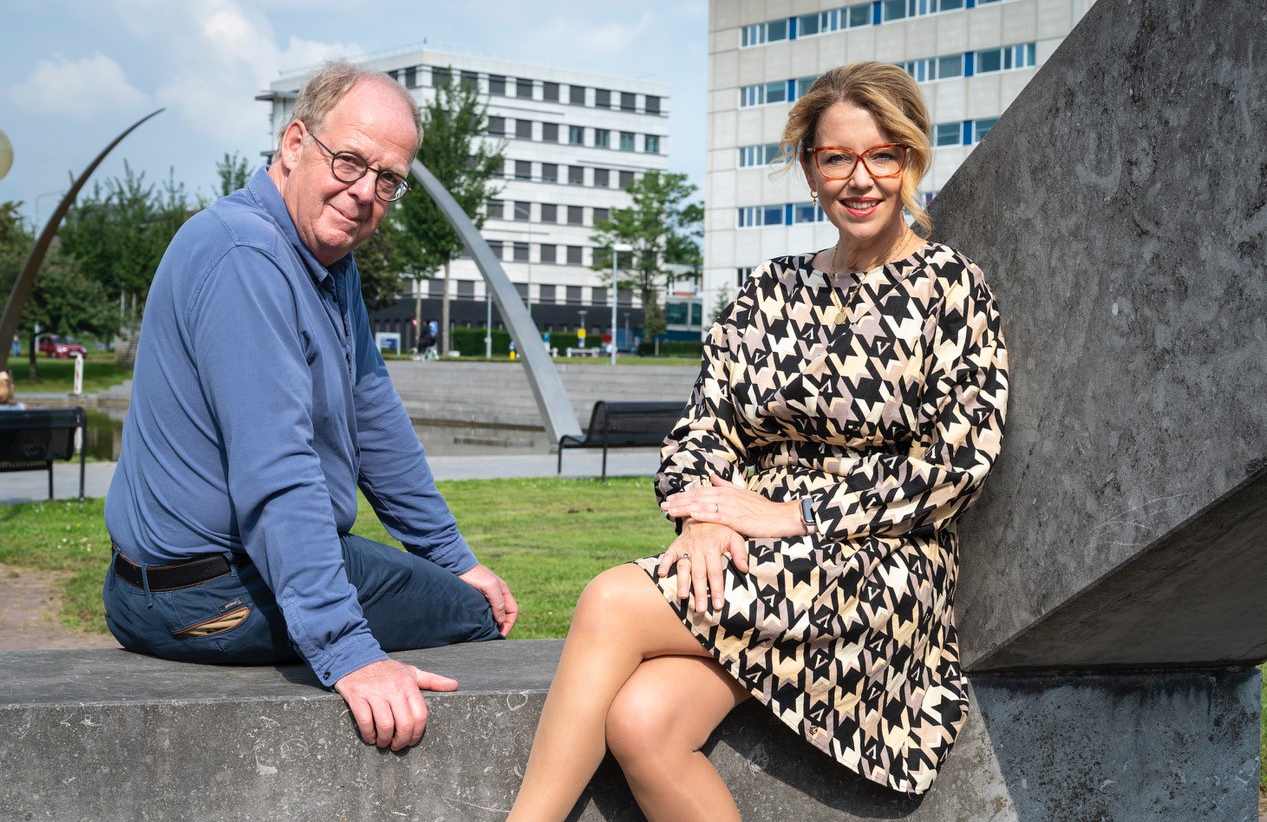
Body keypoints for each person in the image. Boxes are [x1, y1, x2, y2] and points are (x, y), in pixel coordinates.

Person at [509, 61, 1009, 818]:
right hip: (758, 553)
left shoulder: (952, 288)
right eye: (836, 156)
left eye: (883, 155)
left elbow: (958, 462)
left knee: (611, 601)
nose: (860, 178)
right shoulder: (771, 289)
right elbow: (704, 425)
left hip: (880, 569)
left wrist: (798, 516)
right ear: (811, 167)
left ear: (911, 159)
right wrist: (704, 515)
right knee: (643, 724)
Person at [102, 60, 517, 752]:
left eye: (389, 181)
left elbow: (375, 418)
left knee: (457, 590)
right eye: (350, 162)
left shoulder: (325, 262)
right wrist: (347, 650)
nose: (364, 194)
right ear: (294, 144)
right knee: (471, 619)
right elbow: (277, 468)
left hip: (160, 590)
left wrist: (452, 557)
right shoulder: (247, 255)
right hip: (211, 592)